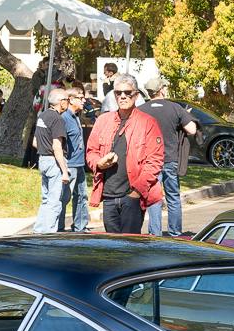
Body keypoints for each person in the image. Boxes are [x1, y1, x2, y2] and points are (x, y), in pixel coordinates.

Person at [86, 74, 164, 234]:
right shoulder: (103, 120)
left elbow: (155, 161)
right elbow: (91, 152)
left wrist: (135, 194)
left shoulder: (148, 122)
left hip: (132, 196)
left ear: (136, 95)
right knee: (112, 250)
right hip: (108, 196)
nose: (122, 96)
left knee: (129, 249)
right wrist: (99, 163)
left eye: (128, 92)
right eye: (118, 92)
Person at [143, 83, 198, 235]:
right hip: (170, 158)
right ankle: (175, 233)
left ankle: (155, 234)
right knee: (173, 197)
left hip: (150, 160)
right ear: (161, 90)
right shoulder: (175, 108)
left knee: (154, 198)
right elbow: (192, 130)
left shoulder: (141, 110)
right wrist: (184, 116)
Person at [32, 84, 72, 233]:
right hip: (53, 161)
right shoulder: (57, 119)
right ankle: (48, 233)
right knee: (55, 202)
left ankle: (39, 230)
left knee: (46, 199)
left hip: (42, 159)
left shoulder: (43, 115)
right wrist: (64, 171)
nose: (68, 102)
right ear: (61, 102)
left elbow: (35, 142)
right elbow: (57, 146)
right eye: (67, 100)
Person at [58, 82, 91, 232]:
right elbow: (58, 143)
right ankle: (58, 227)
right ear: (71, 99)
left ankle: (80, 226)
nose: (84, 101)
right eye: (81, 98)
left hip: (79, 164)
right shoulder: (64, 118)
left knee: (82, 196)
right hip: (69, 164)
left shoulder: (76, 116)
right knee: (64, 197)